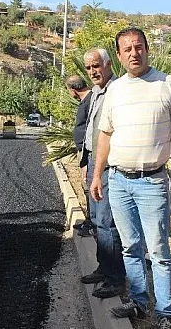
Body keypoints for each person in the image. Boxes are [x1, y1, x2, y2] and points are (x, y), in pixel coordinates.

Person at [91, 27, 171, 329]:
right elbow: (105, 134)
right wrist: (97, 175)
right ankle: (139, 302)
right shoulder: (115, 90)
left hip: (152, 181)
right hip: (118, 181)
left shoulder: (168, 85)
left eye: (139, 46)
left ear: (147, 49)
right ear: (118, 56)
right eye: (127, 49)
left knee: (158, 251)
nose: (134, 53)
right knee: (130, 247)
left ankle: (166, 313)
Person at [78, 48, 126, 299]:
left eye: (96, 65)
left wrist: (99, 165)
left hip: (107, 166)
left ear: (108, 64)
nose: (92, 71)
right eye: (88, 68)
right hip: (93, 164)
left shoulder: (117, 91)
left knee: (108, 222)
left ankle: (115, 277)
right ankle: (103, 267)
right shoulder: (96, 93)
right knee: (96, 221)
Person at [64, 75, 94, 237]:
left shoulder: (91, 101)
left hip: (89, 152)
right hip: (84, 151)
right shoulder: (87, 101)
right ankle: (90, 220)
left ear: (73, 90)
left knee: (89, 187)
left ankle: (92, 223)